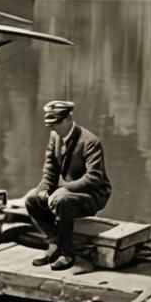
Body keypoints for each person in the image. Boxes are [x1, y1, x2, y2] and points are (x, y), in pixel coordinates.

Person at [24, 100, 111, 271]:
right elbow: (50, 168)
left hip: (92, 195)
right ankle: (54, 244)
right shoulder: (55, 137)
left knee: (63, 200)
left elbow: (94, 178)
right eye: (50, 125)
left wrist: (64, 189)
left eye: (55, 124)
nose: (52, 128)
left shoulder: (90, 142)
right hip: (67, 191)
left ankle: (66, 252)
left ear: (68, 119)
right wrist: (44, 189)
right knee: (32, 199)